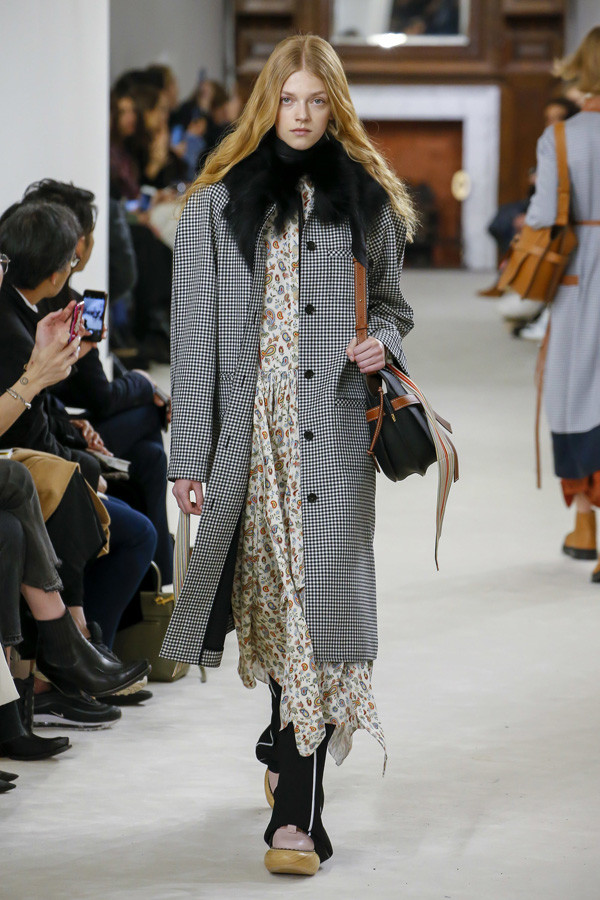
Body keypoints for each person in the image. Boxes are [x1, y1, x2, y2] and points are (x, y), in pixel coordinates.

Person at [162, 34, 415, 875]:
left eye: (317, 100)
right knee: (277, 610)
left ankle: (292, 814)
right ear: (267, 102)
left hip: (336, 435)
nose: (301, 116)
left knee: (321, 614)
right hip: (250, 442)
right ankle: (289, 765)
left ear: (335, 106)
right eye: (288, 99)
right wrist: (188, 456)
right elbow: (192, 342)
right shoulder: (212, 208)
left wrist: (381, 340)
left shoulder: (368, 200)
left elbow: (394, 306)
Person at [0, 201, 158, 655]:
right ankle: (80, 649)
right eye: (74, 253)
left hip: (46, 451)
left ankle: (85, 647)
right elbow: (82, 402)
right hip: (37, 464)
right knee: (132, 514)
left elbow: (46, 410)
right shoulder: (26, 323)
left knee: (146, 453)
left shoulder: (30, 313)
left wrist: (69, 415)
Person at [22, 179, 174, 585]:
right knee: (148, 420)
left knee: (151, 455)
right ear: (76, 243)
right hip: (51, 440)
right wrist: (144, 383)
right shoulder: (62, 304)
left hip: (60, 425)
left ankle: (157, 576)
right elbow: (100, 396)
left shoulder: (37, 301)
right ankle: (160, 579)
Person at [525, 27, 600, 580]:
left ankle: (585, 526)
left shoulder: (562, 137)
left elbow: (542, 217)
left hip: (580, 278)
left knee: (576, 394)